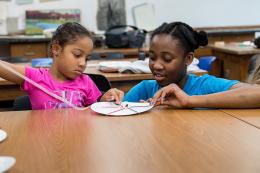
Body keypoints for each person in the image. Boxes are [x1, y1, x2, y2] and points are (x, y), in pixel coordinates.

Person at [124, 22, 260, 108]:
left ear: (188, 59)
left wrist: (189, 101)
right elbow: (116, 113)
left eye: (167, 59)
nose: (157, 65)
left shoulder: (205, 85)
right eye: (152, 57)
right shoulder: (144, 89)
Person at [0, 22, 123, 110]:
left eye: (87, 59)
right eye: (77, 55)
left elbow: (95, 109)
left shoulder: (86, 82)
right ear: (56, 49)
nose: (82, 63)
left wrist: (106, 99)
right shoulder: (35, 77)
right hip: (44, 141)